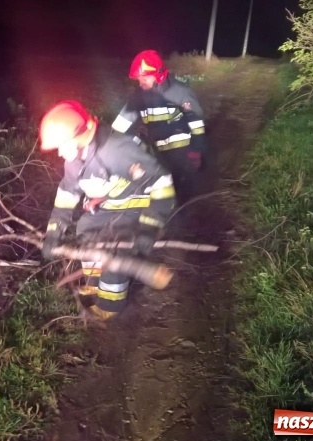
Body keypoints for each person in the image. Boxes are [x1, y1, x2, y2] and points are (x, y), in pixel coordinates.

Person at [38, 100, 176, 321]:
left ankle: (110, 304)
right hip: (113, 203)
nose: (61, 153)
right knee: (86, 228)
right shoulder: (74, 158)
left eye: (63, 145)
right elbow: (67, 194)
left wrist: (150, 226)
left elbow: (161, 183)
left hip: (140, 203)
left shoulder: (118, 150)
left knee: (113, 246)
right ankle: (95, 282)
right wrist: (54, 231)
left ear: (83, 134)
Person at [112, 49, 208, 204]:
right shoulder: (139, 96)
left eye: (145, 78)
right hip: (157, 150)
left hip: (182, 152)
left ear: (159, 75)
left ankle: (184, 207)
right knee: (158, 188)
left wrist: (196, 151)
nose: (141, 82)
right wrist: (108, 144)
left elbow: (197, 125)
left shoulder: (181, 93)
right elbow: (121, 124)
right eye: (138, 79)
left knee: (182, 191)